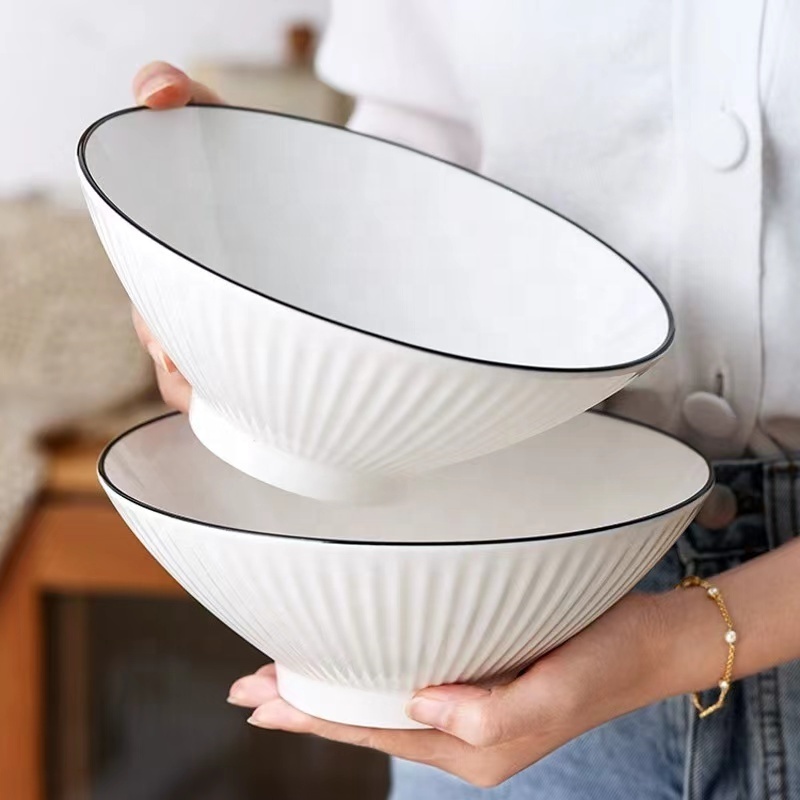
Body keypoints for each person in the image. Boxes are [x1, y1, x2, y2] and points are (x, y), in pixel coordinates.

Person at [129, 3, 800, 797]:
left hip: (553, 623)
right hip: (509, 608)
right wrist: (235, 226)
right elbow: (420, 157)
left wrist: (673, 644)